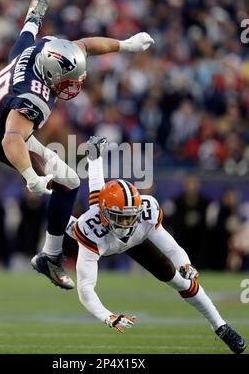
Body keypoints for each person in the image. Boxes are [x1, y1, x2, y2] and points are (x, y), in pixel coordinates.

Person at [0, 0, 154, 290]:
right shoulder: (34, 98)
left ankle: (51, 254)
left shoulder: (46, 50)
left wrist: (126, 45)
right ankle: (50, 257)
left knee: (65, 180)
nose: (74, 84)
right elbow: (10, 141)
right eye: (68, 80)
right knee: (68, 182)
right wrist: (30, 176)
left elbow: (83, 44)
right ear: (51, 75)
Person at [66, 136, 246, 354]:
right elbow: (85, 288)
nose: (127, 223)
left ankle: (221, 327)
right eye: (120, 218)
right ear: (104, 216)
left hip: (136, 242)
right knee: (61, 222)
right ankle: (48, 257)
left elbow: (171, 248)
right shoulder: (89, 228)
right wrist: (107, 316)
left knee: (180, 281)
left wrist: (185, 264)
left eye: (130, 216)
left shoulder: (145, 213)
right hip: (104, 243)